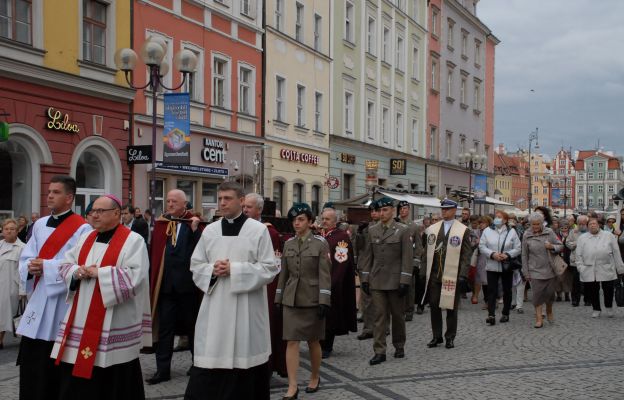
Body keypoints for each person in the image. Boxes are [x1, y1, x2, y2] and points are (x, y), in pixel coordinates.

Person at [51, 195, 151, 399]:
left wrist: (100, 273)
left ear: (116, 213)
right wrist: (78, 272)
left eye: (100, 211)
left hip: (114, 321)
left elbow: (136, 276)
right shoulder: (86, 238)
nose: (94, 215)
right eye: (91, 211)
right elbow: (65, 265)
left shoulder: (133, 241)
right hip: (81, 316)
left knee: (113, 376)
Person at [185, 182, 278, 400]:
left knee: (244, 361)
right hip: (216, 306)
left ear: (241, 200)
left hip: (247, 307)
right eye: (220, 199)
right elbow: (196, 265)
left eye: (227, 198)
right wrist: (213, 270)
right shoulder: (210, 230)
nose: (222, 203)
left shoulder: (258, 230)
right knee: (212, 358)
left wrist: (235, 270)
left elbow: (270, 268)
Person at [17, 175, 92, 400]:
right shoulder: (39, 224)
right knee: (34, 355)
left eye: (56, 192)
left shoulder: (83, 228)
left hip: (62, 299)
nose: (49, 195)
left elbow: (82, 262)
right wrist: (31, 267)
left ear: (69, 198)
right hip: (40, 296)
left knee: (56, 354)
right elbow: (27, 254)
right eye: (49, 191)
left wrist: (47, 266)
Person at [275, 204, 331, 398]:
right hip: (292, 299)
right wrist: (278, 297)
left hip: (313, 299)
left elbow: (325, 275)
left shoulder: (320, 244)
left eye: (300, 219)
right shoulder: (288, 244)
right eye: (294, 220)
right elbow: (284, 274)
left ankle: (315, 376)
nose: (296, 223)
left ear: (309, 221)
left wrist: (324, 299)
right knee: (291, 341)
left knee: (313, 341)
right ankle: (293, 385)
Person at [146, 190, 202, 384]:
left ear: (184, 203)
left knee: (193, 329)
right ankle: (162, 370)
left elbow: (201, 251)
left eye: (173, 201)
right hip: (167, 287)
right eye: (168, 200)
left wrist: (195, 231)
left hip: (188, 287)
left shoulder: (194, 223)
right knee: (165, 330)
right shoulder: (161, 224)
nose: (169, 204)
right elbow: (155, 253)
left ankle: (198, 365)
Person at [360, 197, 412, 365]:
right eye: (380, 210)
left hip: (396, 280)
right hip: (377, 280)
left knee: (398, 316)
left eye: (385, 210)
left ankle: (399, 345)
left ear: (392, 211)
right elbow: (368, 257)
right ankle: (379, 350)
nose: (382, 213)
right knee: (379, 316)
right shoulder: (372, 230)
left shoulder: (402, 231)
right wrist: (365, 278)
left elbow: (407, 258)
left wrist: (405, 280)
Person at [243, 192, 287, 378]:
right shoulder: (238, 228)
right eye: (244, 206)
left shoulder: (269, 232)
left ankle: (265, 367)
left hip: (263, 288)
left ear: (259, 210)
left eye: (249, 207)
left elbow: (274, 266)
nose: (245, 210)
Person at [421, 199, 472, 349]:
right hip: (435, 274)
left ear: (454, 210)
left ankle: (450, 336)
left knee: (450, 306)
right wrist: (424, 272)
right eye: (442, 209)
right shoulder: (432, 229)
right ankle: (436, 336)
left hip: (452, 274)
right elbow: (426, 252)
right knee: (435, 305)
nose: (444, 212)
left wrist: (463, 274)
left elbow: (466, 254)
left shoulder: (463, 230)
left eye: (448, 209)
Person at [318, 207, 357, 359]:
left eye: (327, 219)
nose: (324, 221)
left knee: (331, 315)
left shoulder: (341, 238)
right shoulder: (320, 235)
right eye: (323, 218)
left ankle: (327, 345)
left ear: (335, 221)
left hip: (333, 282)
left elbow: (341, 262)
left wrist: (333, 281)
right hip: (318, 281)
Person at [576, 217, 624, 318]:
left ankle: (609, 307)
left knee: (608, 288)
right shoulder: (582, 238)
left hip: (606, 266)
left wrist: (620, 268)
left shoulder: (608, 235)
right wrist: (580, 267)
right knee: (592, 289)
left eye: (594, 223)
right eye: (590, 224)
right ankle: (596, 308)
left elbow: (616, 252)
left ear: (599, 225)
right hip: (589, 267)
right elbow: (578, 254)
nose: (592, 225)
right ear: (587, 226)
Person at [479, 210, 521, 325]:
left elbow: (518, 248)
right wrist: (492, 254)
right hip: (491, 265)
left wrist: (507, 255)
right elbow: (482, 246)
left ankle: (505, 313)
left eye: (500, 217)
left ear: (505, 220)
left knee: (507, 290)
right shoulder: (487, 231)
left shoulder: (511, 232)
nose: (497, 219)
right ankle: (491, 314)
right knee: (491, 291)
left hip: (506, 265)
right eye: (496, 217)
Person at [521, 212, 563, 328]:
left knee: (550, 295)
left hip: (549, 268)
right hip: (534, 269)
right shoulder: (526, 234)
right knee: (537, 295)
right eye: (533, 224)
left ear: (541, 223)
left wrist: (552, 247)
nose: (535, 226)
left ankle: (549, 310)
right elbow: (524, 255)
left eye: (537, 224)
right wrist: (526, 272)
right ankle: (539, 318)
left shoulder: (549, 232)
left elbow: (560, 245)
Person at [355, 201, 379, 340]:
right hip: (366, 266)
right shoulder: (366, 227)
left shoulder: (384, 227)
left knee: (381, 300)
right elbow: (359, 246)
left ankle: (383, 327)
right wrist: (359, 232)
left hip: (380, 267)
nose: (374, 213)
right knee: (366, 299)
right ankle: (368, 328)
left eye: (376, 210)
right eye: (372, 211)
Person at [396, 201, 424, 321]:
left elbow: (418, 246)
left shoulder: (414, 226)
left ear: (409, 210)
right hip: (396, 260)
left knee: (409, 287)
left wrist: (416, 262)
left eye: (405, 208)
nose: (403, 210)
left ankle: (409, 310)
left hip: (409, 261)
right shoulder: (395, 224)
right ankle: (398, 309)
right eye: (401, 208)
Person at [0, 219, 25, 348]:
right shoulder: (0, 244)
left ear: (17, 231)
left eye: (12, 229)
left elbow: (23, 272)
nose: (9, 231)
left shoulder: (22, 248)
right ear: (2, 230)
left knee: (3, 315)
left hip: (10, 287)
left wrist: (22, 290)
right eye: (6, 229)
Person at [566, 215, 588, 307]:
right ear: (577, 223)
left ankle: (588, 299)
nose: (581, 225)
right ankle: (575, 300)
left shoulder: (590, 231)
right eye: (580, 224)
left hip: (587, 260)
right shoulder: (573, 232)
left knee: (588, 281)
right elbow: (567, 242)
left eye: (583, 224)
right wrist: (574, 244)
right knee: (576, 282)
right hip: (575, 260)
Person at [472, 216, 491, 308]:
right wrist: (476, 242)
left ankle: (488, 301)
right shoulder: (477, 232)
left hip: (487, 258)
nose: (480, 225)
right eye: (480, 223)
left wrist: (482, 242)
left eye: (482, 223)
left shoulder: (491, 232)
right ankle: (487, 300)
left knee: (486, 280)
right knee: (481, 280)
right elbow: (472, 244)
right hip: (479, 258)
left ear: (488, 223)